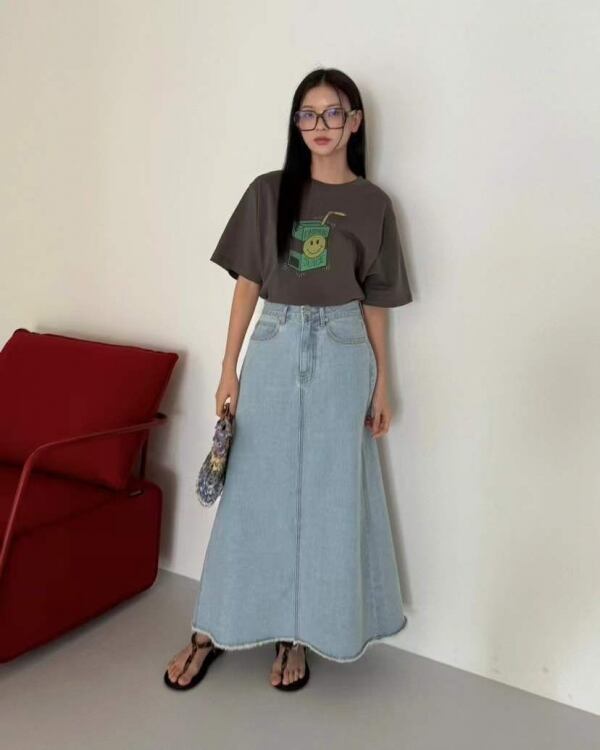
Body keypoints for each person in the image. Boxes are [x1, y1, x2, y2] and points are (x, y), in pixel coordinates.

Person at [164, 67, 412, 692]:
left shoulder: (374, 204)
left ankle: (296, 633)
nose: (319, 125)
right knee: (252, 490)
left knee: (331, 495)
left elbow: (375, 302)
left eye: (333, 113)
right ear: (296, 123)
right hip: (274, 343)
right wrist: (229, 366)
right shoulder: (268, 191)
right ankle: (211, 628)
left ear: (354, 122)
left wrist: (384, 381)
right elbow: (249, 282)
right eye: (308, 113)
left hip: (344, 347)